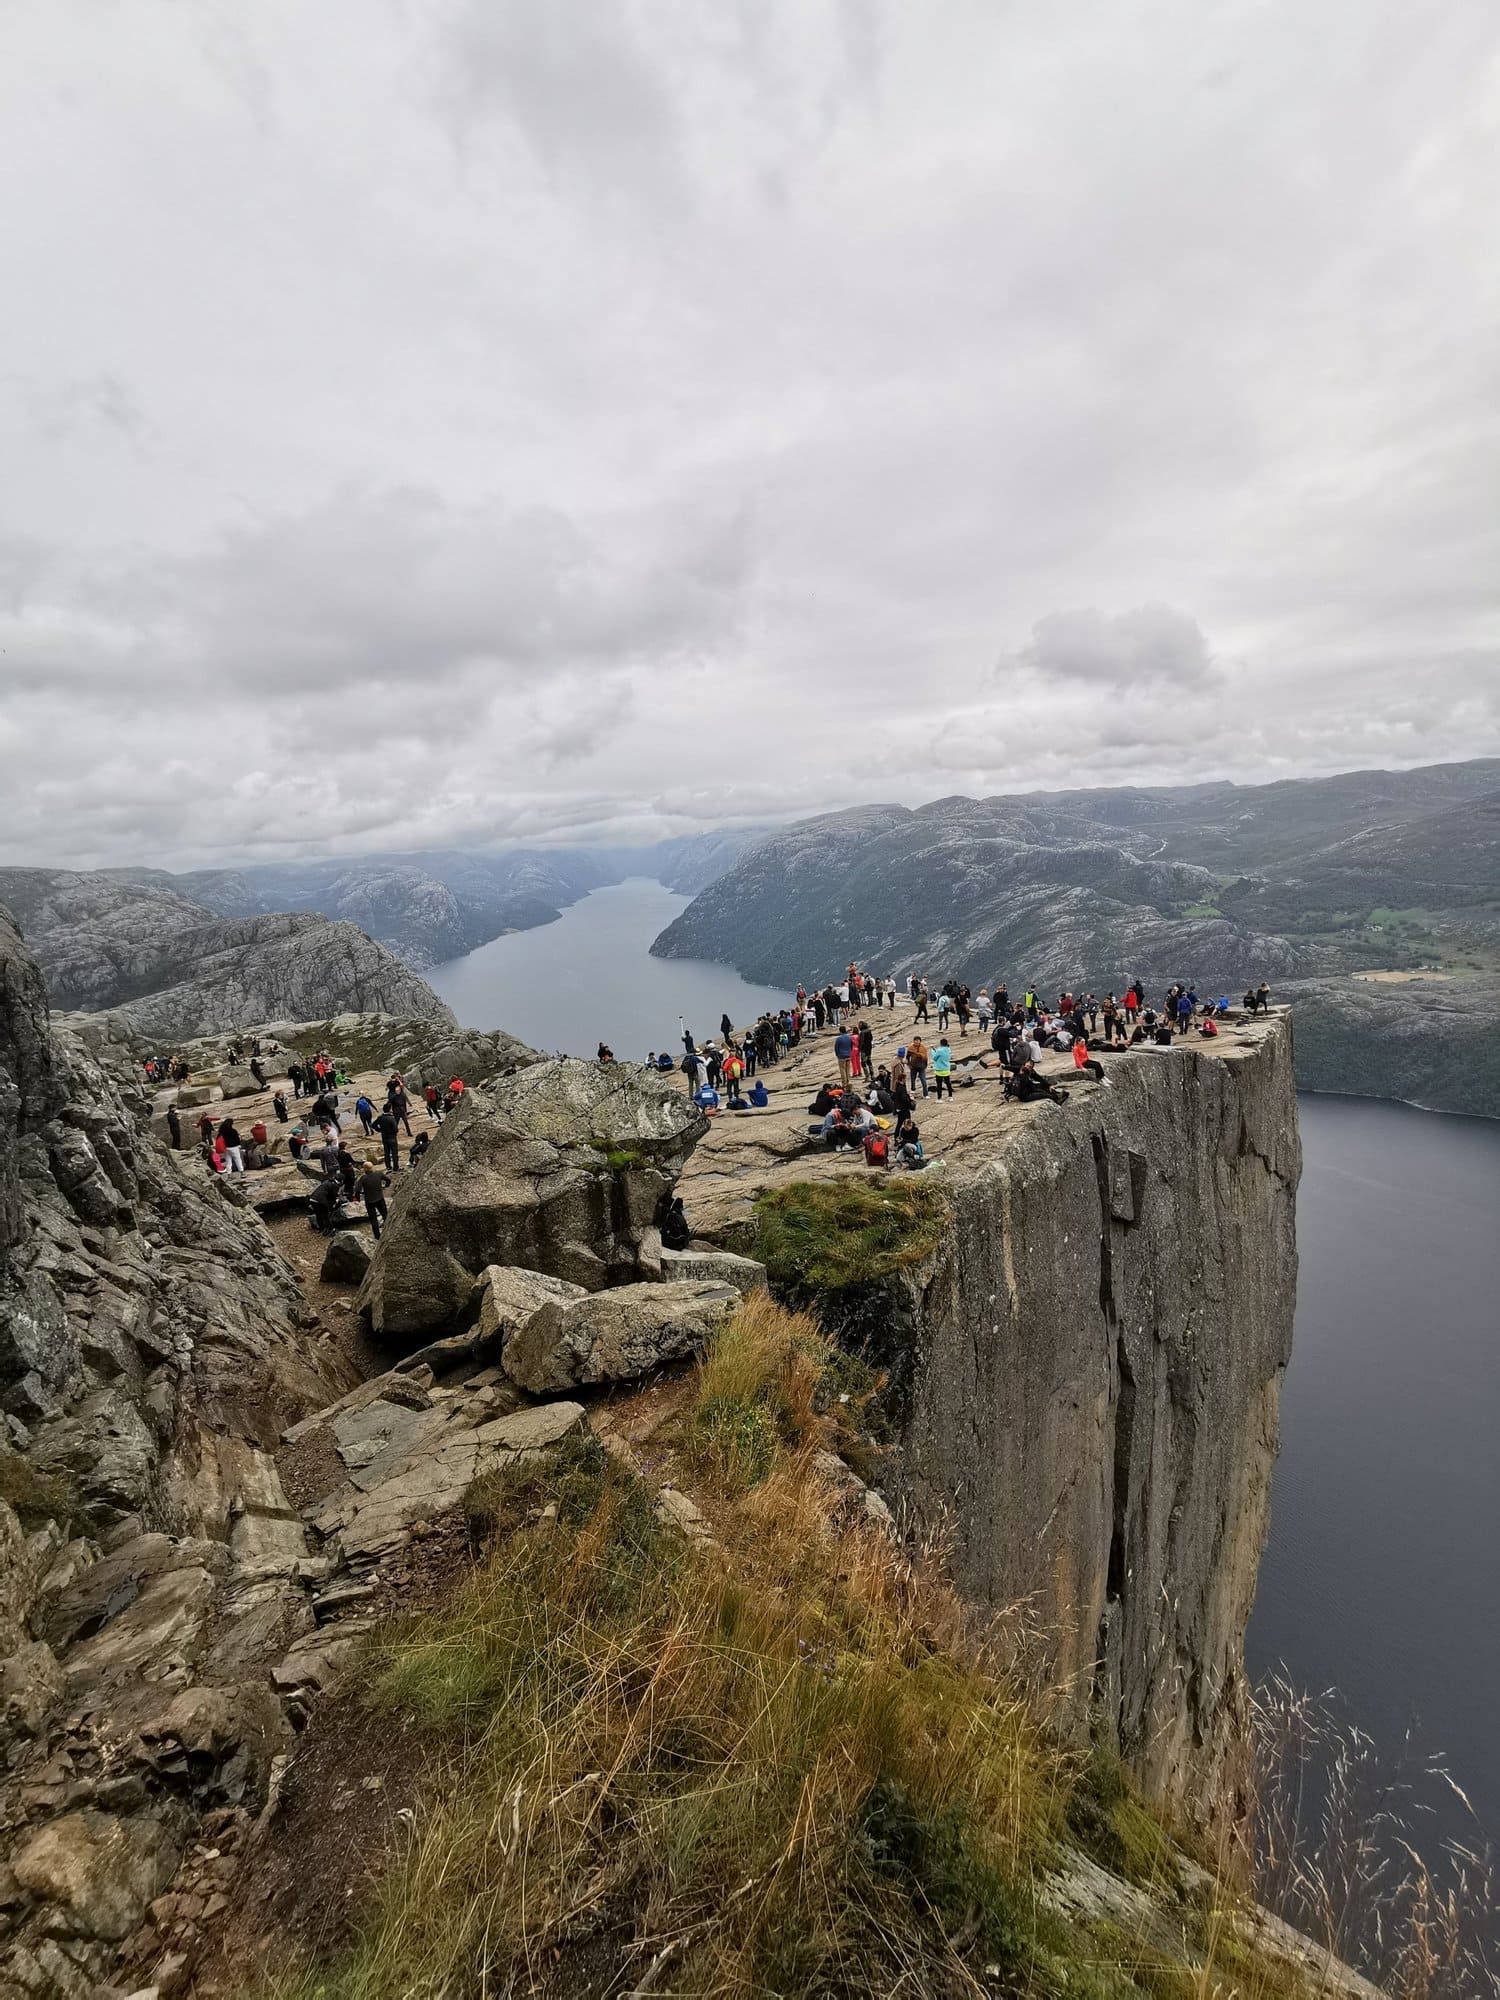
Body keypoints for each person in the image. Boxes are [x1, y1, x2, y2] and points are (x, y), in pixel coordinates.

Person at [355, 1162, 389, 1241]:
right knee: (385, 1215)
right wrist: (386, 1186)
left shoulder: (363, 1178)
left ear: (365, 1169)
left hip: (369, 1201)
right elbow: (388, 1180)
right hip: (380, 1198)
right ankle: (389, 1231)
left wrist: (358, 1199)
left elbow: (357, 1190)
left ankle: (377, 1236)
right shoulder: (378, 1174)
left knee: (373, 1219)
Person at [374, 1105, 400, 1173]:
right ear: (389, 1110)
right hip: (392, 1137)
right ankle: (395, 1167)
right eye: (391, 1109)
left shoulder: (380, 1117)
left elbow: (373, 1125)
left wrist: (379, 1130)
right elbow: (396, 1129)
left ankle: (388, 1167)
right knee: (394, 1153)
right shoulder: (391, 1118)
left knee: (387, 1153)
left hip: (384, 1138)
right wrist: (394, 1132)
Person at [834, 1026, 854, 1093]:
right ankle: (848, 1081)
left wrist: (837, 1054)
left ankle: (844, 1083)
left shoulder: (839, 1039)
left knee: (842, 1070)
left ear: (840, 1031)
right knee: (848, 1069)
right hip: (848, 1055)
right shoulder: (849, 1037)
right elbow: (851, 1045)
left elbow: (836, 1048)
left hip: (841, 1056)